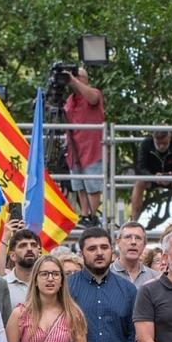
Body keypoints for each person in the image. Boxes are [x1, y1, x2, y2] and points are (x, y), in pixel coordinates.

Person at [63, 66, 106, 225]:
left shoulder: (94, 93)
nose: (73, 78)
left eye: (77, 76)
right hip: (74, 149)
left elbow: (93, 99)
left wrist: (73, 80)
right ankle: (84, 214)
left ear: (85, 79)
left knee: (93, 186)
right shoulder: (70, 99)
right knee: (79, 185)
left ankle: (93, 215)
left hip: (91, 148)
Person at [130, 130, 172, 224]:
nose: (161, 146)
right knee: (139, 182)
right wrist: (153, 177)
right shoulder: (146, 144)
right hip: (152, 179)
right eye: (158, 143)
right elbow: (141, 168)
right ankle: (133, 221)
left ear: (169, 137)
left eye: (164, 143)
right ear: (153, 138)